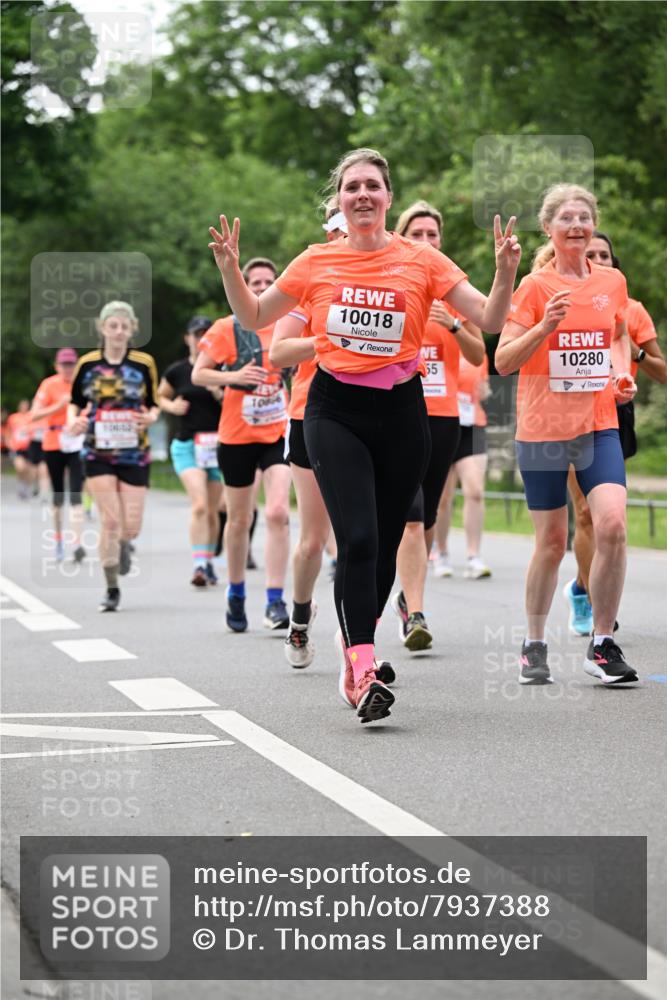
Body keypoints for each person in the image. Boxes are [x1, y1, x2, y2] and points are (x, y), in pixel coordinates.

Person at [208, 147, 520, 723]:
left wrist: (505, 273)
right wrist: (230, 269)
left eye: (372, 186)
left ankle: (360, 645)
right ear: (342, 198)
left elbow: (492, 319)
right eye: (352, 186)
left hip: (404, 412)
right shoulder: (315, 262)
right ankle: (361, 665)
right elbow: (254, 318)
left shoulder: (421, 260)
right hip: (334, 409)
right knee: (355, 538)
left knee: (385, 540)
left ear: (388, 197)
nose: (362, 195)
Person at [495, 184, 638, 685]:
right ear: (550, 229)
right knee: (553, 542)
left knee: (613, 527)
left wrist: (621, 373)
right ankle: (534, 643)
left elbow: (617, 334)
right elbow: (503, 360)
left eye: (585, 218)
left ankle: (601, 643)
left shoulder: (612, 282)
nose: (577, 226)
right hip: (544, 432)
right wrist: (543, 328)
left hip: (598, 425)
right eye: (567, 219)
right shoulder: (535, 288)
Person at [559, 231, 667, 635]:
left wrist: (634, 353)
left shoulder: (632, 310)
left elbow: (661, 370)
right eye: (591, 254)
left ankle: (584, 587)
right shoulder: (563, 300)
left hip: (616, 411)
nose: (599, 260)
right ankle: (589, 600)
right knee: (584, 513)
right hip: (569, 414)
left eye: (605, 255)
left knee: (609, 518)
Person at [389, 201, 485, 650]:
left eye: (433, 234)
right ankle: (416, 612)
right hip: (398, 413)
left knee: (425, 520)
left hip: (444, 417)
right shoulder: (393, 283)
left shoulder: (451, 291)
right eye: (418, 233)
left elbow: (477, 356)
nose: (427, 241)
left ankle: (407, 597)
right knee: (409, 520)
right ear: (402, 235)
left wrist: (454, 325)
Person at [192, 258, 292, 633]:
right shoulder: (228, 328)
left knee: (278, 512)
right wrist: (233, 376)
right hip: (236, 436)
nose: (264, 286)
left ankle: (274, 599)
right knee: (238, 519)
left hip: (277, 432)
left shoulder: (288, 323)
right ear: (245, 287)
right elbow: (198, 373)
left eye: (270, 280)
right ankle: (235, 591)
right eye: (256, 282)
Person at [67, 301, 159, 612]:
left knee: (131, 526)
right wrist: (74, 421)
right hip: (98, 451)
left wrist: (151, 418)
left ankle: (124, 543)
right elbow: (74, 402)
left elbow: (155, 403)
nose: (119, 331)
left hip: (135, 451)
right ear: (102, 328)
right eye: (113, 325)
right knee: (110, 519)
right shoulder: (88, 364)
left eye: (124, 326)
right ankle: (111, 587)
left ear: (132, 329)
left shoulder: (144, 364)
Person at [158, 315, 223, 587]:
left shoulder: (222, 367)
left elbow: (236, 404)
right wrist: (172, 407)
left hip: (218, 447)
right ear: (188, 338)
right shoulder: (177, 371)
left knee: (213, 509)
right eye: (196, 334)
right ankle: (198, 564)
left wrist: (217, 390)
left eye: (206, 334)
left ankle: (208, 560)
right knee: (199, 504)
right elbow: (160, 395)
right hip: (187, 445)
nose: (200, 339)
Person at [435, 353, 492, 578]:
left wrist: (484, 391)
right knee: (442, 499)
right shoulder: (436, 342)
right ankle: (441, 553)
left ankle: (473, 556)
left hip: (472, 427)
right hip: (443, 424)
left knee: (475, 491)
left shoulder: (477, 351)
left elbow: (484, 386)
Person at [31, 348, 85, 562]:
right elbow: (34, 414)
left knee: (76, 494)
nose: (68, 368)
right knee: (58, 496)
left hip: (77, 444)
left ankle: (77, 543)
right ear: (57, 366)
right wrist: (58, 406)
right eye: (64, 365)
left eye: (71, 364)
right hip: (53, 444)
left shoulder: (83, 384)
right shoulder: (49, 385)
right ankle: (59, 540)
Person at [7, 400, 35, 499]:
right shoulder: (13, 417)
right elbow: (8, 431)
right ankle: (21, 485)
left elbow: (35, 429)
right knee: (20, 468)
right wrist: (9, 442)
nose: (24, 407)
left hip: (29, 447)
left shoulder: (31, 416)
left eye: (26, 405)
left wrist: (30, 429)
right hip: (17, 447)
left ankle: (26, 487)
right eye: (22, 405)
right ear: (19, 406)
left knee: (28, 470)